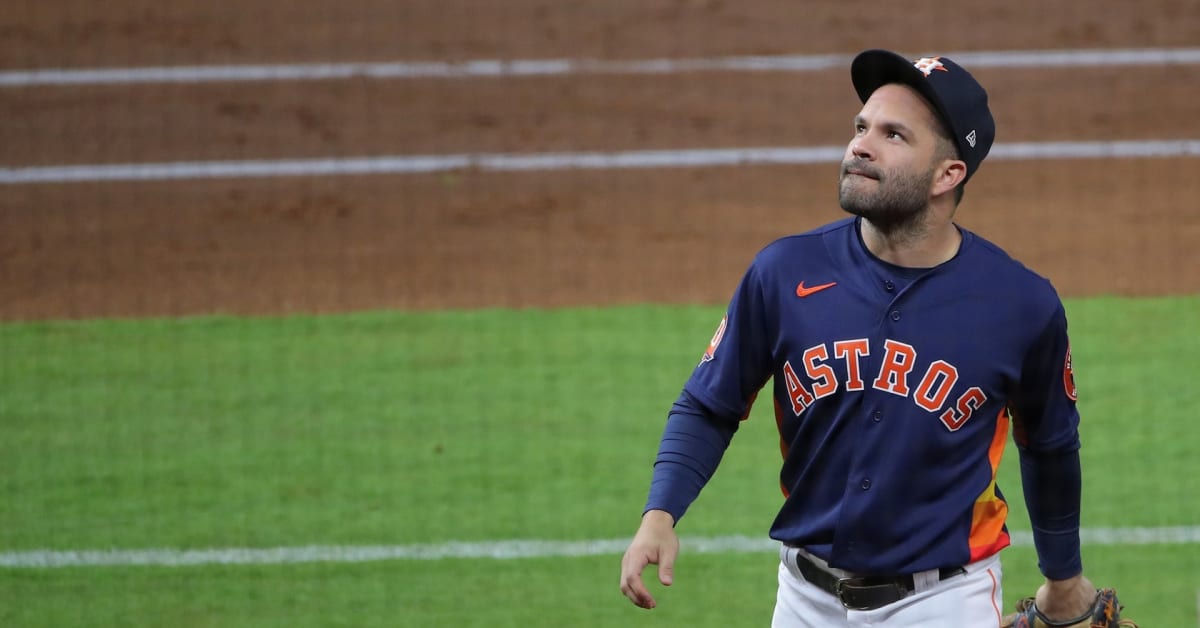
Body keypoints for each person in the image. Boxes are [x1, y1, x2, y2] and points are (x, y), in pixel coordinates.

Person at [618, 49, 1102, 627]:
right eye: (860, 127)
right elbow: (708, 403)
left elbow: (1049, 445)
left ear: (949, 174)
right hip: (802, 598)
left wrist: (1063, 579)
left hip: (942, 602)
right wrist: (660, 514)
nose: (860, 146)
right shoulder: (783, 272)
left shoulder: (1020, 304)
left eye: (893, 135)